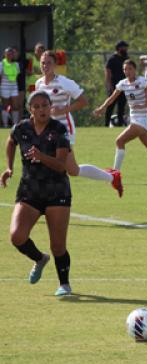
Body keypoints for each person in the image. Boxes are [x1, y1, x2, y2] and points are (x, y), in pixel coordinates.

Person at [0, 90, 74, 296]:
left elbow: (61, 166)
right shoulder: (21, 128)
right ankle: (40, 259)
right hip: (29, 191)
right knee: (17, 236)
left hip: (56, 192)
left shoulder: (59, 129)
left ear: (51, 107)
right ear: (30, 109)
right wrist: (9, 168)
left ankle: (64, 284)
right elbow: (10, 141)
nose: (42, 109)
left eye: (45, 105)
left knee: (58, 246)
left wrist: (41, 156)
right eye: (37, 106)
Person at [36, 50, 123, 197]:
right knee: (72, 170)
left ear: (55, 64)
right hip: (48, 130)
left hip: (64, 129)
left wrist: (64, 109)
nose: (45, 66)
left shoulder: (64, 82)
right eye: (43, 63)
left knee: (67, 169)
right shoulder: (39, 84)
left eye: (49, 63)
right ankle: (112, 177)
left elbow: (83, 101)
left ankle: (48, 199)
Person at [104, 41, 129, 127]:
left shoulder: (126, 58)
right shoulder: (112, 59)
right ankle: (106, 125)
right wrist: (109, 85)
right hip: (114, 86)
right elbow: (108, 73)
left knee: (121, 108)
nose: (126, 49)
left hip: (125, 86)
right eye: (124, 47)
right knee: (110, 106)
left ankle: (120, 125)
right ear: (119, 48)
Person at [0, 47, 20, 127]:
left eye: (11, 54)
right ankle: (5, 125)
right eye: (7, 54)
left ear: (13, 55)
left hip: (14, 87)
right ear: (4, 55)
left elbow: (16, 77)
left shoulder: (16, 64)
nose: (9, 55)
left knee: (15, 106)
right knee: (5, 106)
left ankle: (15, 125)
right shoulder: (1, 64)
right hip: (4, 88)